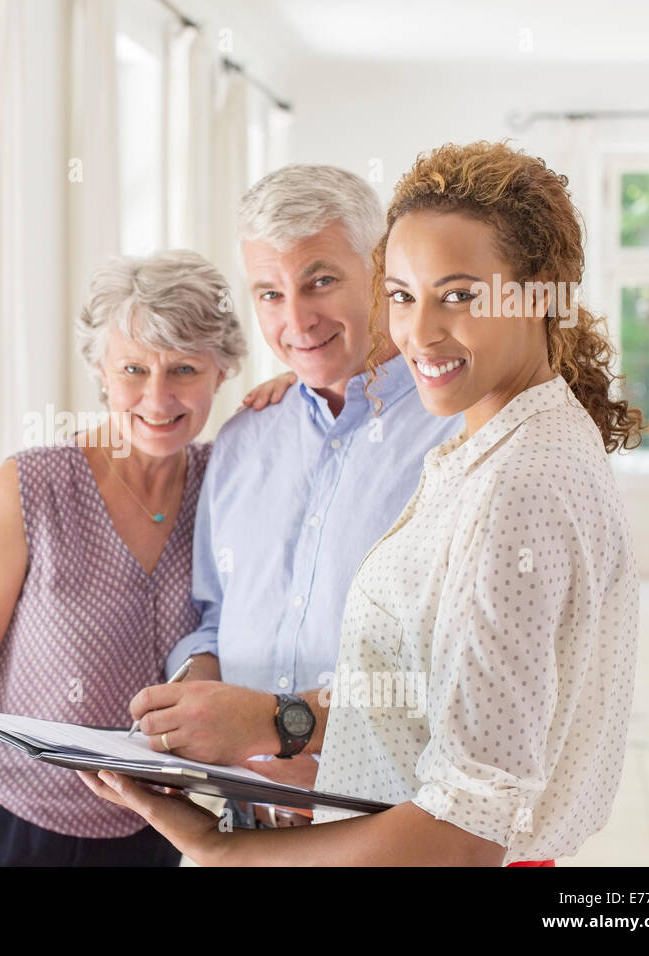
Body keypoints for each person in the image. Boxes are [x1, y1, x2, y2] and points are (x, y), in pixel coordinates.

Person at [80, 140, 649, 865]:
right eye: (409, 295)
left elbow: (468, 814)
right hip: (269, 822)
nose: (296, 318)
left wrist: (266, 748)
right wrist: (212, 720)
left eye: (460, 295)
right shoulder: (259, 436)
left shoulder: (494, 454)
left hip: (385, 841)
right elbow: (232, 616)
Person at [0, 249, 297, 866]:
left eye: (185, 369)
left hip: (157, 830)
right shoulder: (29, 489)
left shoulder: (227, 485)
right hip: (12, 826)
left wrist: (298, 388)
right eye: (134, 369)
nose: (157, 396)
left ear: (223, 371)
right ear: (100, 370)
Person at [124, 165, 462, 830]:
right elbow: (217, 614)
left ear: (381, 268)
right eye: (270, 294)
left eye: (321, 281)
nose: (296, 319)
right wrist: (197, 683)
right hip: (245, 822)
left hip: (391, 826)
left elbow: (466, 666)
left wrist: (318, 744)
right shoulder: (245, 439)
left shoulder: (457, 434)